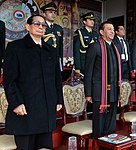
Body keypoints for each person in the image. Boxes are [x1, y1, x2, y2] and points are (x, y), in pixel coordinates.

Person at [3, 15, 63, 150]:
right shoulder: (15, 48)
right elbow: (9, 80)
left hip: (46, 110)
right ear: (28, 27)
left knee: (44, 147)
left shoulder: (51, 50)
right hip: (25, 110)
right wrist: (16, 103)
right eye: (37, 24)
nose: (41, 27)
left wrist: (59, 99)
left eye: (43, 25)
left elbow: (56, 78)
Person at [84, 21, 122, 139]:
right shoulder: (95, 47)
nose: (112, 31)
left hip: (114, 92)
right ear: (101, 32)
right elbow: (88, 71)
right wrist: (88, 93)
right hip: (99, 92)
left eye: (113, 29)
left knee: (111, 123)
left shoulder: (115, 48)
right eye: (109, 29)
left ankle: (109, 145)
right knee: (99, 124)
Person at [73, 12, 99, 76]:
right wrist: (77, 67)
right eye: (90, 20)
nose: (92, 21)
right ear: (84, 22)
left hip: (94, 63)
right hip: (83, 63)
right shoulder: (79, 33)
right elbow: (76, 51)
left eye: (93, 20)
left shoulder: (95, 34)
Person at [41, 2, 64, 70]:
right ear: (44, 14)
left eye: (54, 12)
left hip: (55, 60)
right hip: (42, 59)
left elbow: (60, 48)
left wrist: (60, 64)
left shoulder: (59, 28)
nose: (53, 14)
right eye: (50, 12)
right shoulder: (40, 27)